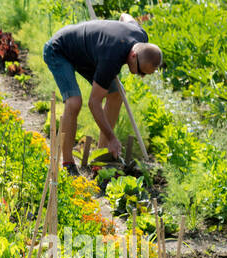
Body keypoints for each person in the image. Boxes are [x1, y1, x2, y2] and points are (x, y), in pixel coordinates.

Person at [42, 15, 162, 175]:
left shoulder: (140, 35)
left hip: (88, 56)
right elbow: (94, 103)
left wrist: (111, 29)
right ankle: (68, 164)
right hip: (59, 50)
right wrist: (112, 137)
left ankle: (99, 159)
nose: (141, 76)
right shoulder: (111, 58)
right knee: (74, 102)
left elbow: (125, 16)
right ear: (133, 56)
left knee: (117, 94)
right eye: (141, 71)